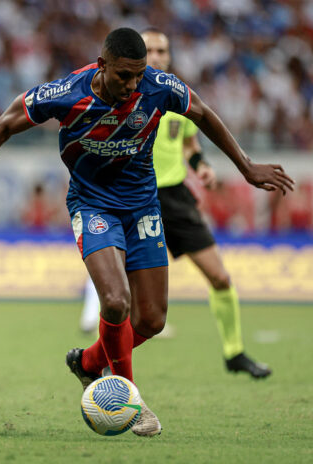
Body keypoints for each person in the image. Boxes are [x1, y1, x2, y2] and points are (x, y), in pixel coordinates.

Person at [0, 28, 293, 437]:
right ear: (101, 66)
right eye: (123, 76)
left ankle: (87, 364)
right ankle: (129, 398)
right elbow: (6, 123)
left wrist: (246, 166)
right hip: (93, 205)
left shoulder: (157, 87)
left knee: (150, 320)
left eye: (138, 75)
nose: (132, 85)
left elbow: (202, 113)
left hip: (143, 207)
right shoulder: (66, 92)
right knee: (116, 302)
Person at [79, 29, 271, 378]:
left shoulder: (175, 97)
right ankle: (104, 364)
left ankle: (234, 352)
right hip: (128, 197)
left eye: (160, 49)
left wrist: (203, 167)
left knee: (219, 276)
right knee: (118, 296)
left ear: (168, 56)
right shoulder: (119, 96)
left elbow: (190, 146)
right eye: (148, 48)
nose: (154, 54)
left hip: (173, 196)